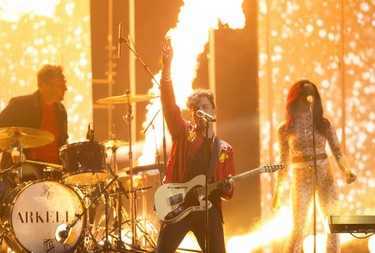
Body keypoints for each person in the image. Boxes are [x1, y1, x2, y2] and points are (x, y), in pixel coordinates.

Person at [155, 37, 235, 253]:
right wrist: (167, 68)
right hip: (178, 206)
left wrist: (228, 187)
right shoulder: (183, 133)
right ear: (191, 115)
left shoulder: (225, 150)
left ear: (214, 111)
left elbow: (228, 191)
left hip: (208, 210)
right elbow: (168, 103)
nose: (201, 112)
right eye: (196, 109)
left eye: (205, 106)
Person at [271, 80, 357, 253]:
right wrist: (277, 192)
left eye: (312, 94)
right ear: (296, 97)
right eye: (304, 94)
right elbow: (283, 162)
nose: (309, 98)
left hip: (326, 176)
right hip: (301, 179)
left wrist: (347, 170)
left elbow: (337, 151)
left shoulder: (323, 124)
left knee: (333, 225)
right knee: (298, 228)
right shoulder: (285, 129)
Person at [0, 64, 68, 185]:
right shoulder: (20, 105)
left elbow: (62, 142)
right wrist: (13, 150)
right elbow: (2, 133)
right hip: (27, 166)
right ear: (44, 85)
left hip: (54, 168)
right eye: (61, 84)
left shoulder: (60, 110)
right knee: (29, 175)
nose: (65, 88)